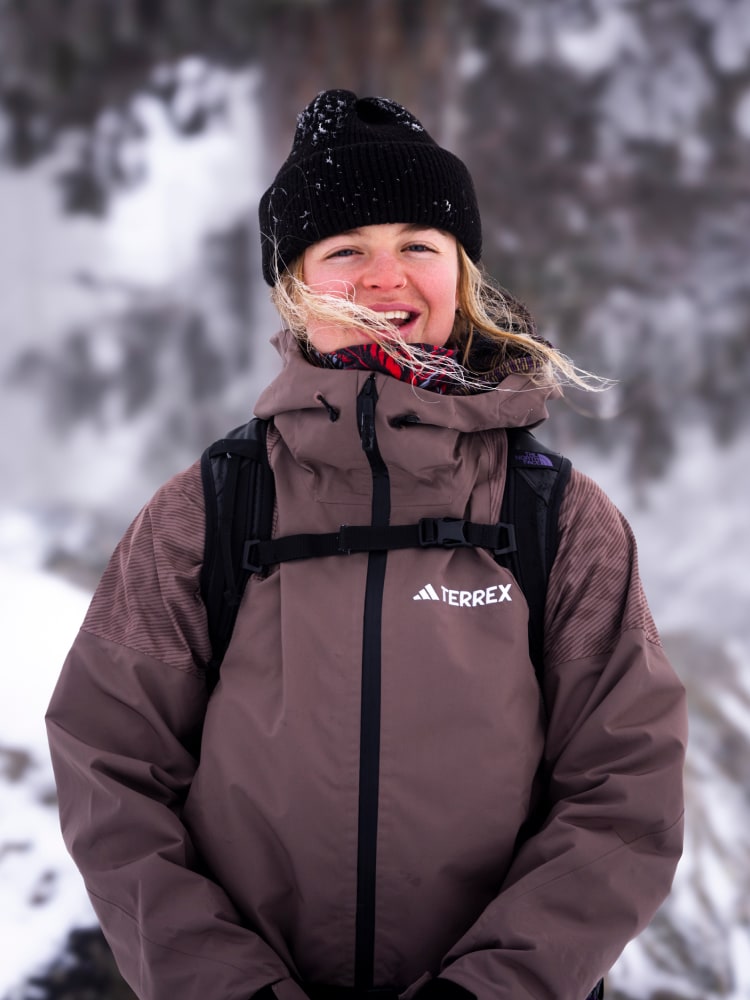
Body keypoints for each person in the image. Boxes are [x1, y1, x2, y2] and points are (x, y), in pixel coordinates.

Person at [46, 89, 687, 1000]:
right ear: (296, 289)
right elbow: (108, 765)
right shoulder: (210, 510)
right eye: (346, 249)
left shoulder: (560, 517)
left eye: (418, 246)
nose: (386, 278)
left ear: (461, 276)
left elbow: (625, 788)